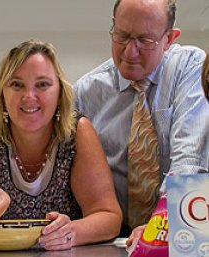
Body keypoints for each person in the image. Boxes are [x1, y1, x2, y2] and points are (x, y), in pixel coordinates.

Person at [0, 40, 122, 251]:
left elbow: (109, 217)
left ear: (59, 93)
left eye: (42, 84)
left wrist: (70, 232)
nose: (29, 97)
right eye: (17, 84)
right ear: (2, 92)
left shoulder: (77, 132)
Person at [73, 0, 209, 239]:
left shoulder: (189, 66)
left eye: (145, 41)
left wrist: (159, 229)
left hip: (175, 224)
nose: (129, 51)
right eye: (122, 36)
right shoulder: (86, 92)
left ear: (169, 39)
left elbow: (189, 159)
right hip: (115, 233)